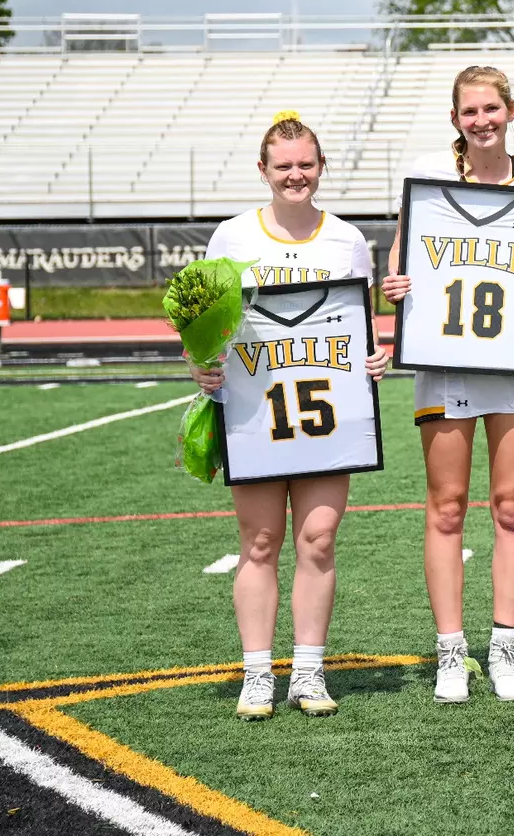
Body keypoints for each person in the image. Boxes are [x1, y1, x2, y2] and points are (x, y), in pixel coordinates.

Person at [381, 67, 514, 704]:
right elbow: (402, 256)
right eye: (470, 112)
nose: (482, 121)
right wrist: (398, 283)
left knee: (512, 506)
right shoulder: (430, 173)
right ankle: (451, 652)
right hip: (447, 360)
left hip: (513, 366)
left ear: (511, 111)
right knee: (448, 507)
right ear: (456, 118)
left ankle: (506, 647)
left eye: (492, 109)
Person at [191, 111, 388, 720]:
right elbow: (203, 322)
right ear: (263, 170)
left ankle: (307, 670)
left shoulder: (348, 240)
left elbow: (358, 325)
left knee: (319, 539)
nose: (295, 175)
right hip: (255, 412)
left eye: (306, 164)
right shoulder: (231, 237)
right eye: (284, 165)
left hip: (329, 412)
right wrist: (200, 363)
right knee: (260, 540)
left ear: (321, 167)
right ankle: (257, 673)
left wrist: (374, 358)